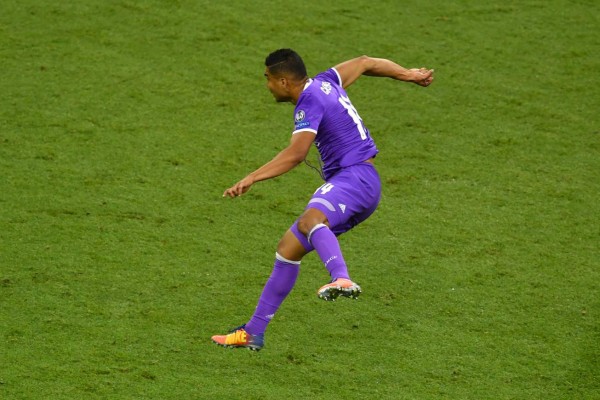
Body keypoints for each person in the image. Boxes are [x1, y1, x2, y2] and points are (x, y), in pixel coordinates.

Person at [212, 49, 433, 351]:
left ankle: (341, 278)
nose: (267, 86)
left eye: (268, 79)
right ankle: (252, 332)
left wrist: (252, 176)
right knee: (287, 250)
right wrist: (409, 74)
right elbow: (366, 62)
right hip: (359, 181)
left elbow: (296, 154)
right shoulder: (326, 81)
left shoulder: (309, 100)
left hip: (354, 179)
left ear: (285, 81)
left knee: (310, 220)